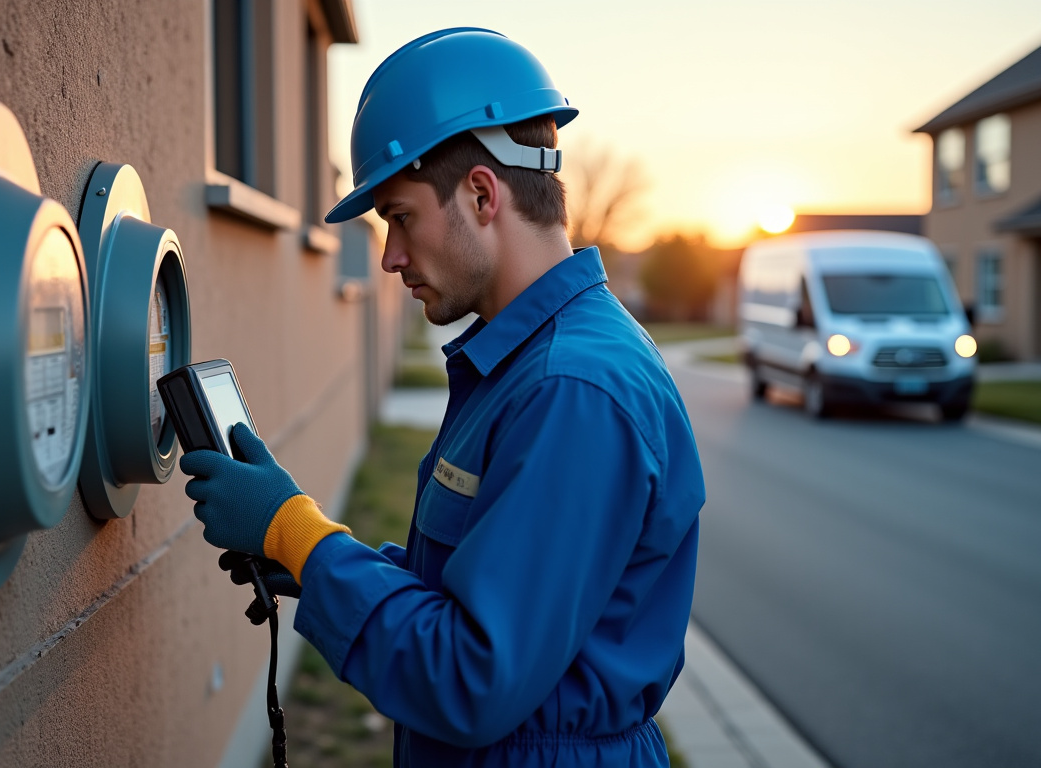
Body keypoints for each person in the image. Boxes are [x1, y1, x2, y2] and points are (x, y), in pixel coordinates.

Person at [181, 28, 704, 768]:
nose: (390, 257)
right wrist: (316, 561)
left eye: (398, 218)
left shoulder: (570, 391)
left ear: (482, 195)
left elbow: (470, 677)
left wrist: (298, 533)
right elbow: (471, 594)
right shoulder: (529, 365)